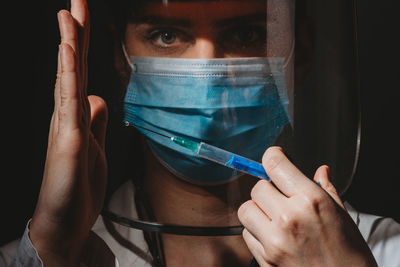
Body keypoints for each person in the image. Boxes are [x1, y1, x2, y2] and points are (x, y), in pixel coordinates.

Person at [1, 0, 400, 266]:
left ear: (304, 50)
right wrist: (50, 250)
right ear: (121, 58)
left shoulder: (382, 250)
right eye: (167, 35)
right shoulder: (45, 256)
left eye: (246, 34)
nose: (208, 73)